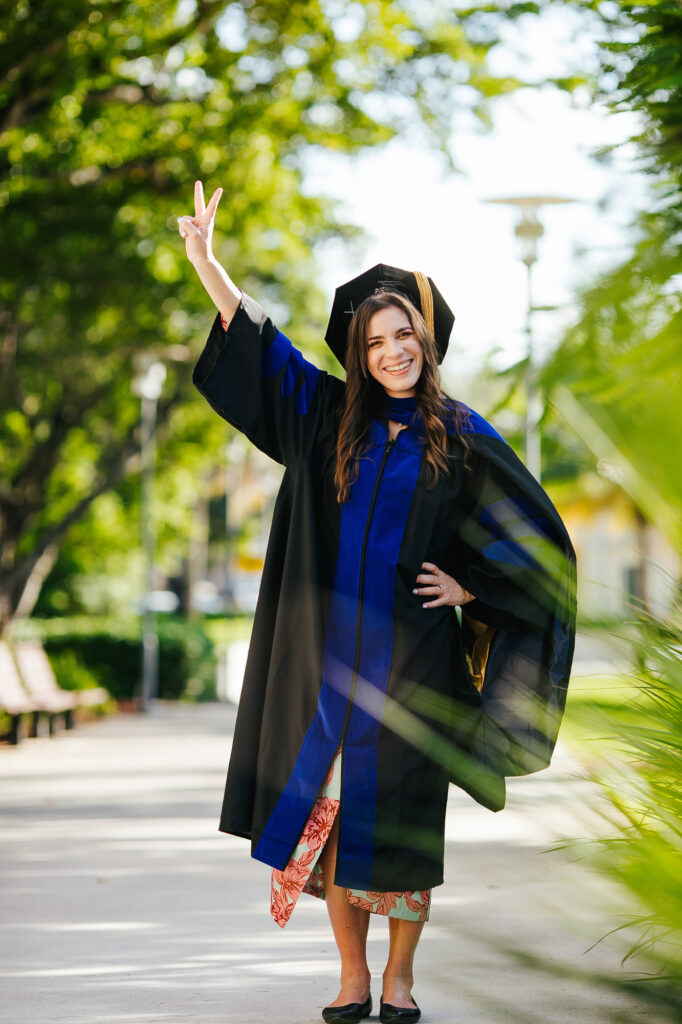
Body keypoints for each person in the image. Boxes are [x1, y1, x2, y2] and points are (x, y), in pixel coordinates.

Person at [178, 182, 577, 1024]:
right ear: (356, 353)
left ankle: (400, 980)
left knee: (399, 827)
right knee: (330, 822)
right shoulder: (326, 419)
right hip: (329, 669)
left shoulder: (463, 439)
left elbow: (540, 546)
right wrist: (210, 266)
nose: (392, 351)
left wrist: (475, 586)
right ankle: (353, 978)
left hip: (415, 669)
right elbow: (266, 352)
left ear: (427, 342)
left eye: (405, 335)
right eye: (375, 340)